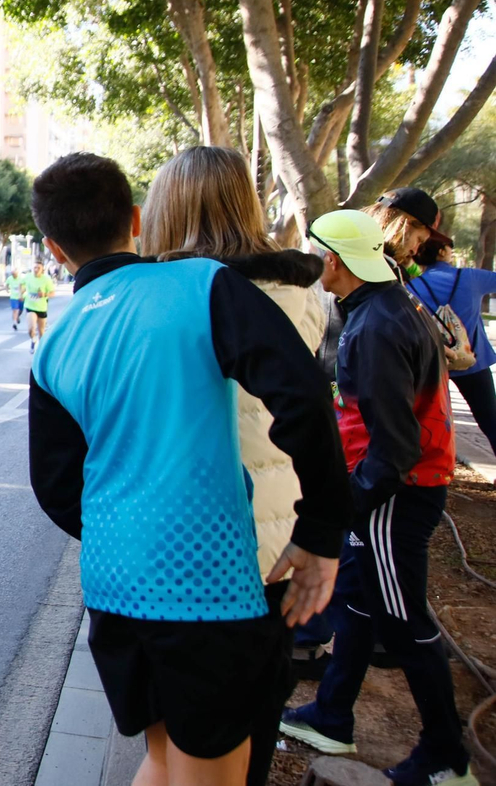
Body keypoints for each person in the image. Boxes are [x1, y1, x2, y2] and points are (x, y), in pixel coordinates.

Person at [28, 153, 348, 786]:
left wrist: (130, 534)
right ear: (137, 220)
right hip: (211, 590)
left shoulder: (56, 341)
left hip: (115, 586)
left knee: (165, 756)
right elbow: (303, 395)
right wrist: (321, 529)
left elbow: (56, 487)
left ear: (52, 247)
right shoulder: (201, 285)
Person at [139, 146, 328, 786]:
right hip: (279, 540)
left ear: (166, 212)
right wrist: (322, 535)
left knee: (174, 745)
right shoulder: (305, 295)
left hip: (189, 546)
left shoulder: (175, 299)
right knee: (247, 729)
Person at [281, 211, 475, 786]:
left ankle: (446, 755)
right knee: (361, 603)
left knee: (404, 622)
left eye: (318, 255)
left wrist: (349, 506)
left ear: (335, 261)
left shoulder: (377, 328)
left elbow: (396, 446)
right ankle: (332, 715)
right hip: (387, 488)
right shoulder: (381, 307)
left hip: (398, 495)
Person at [411, 240, 496, 455]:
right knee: (490, 418)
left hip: (433, 365)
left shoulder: (410, 287)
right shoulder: (470, 277)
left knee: (426, 419)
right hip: (472, 362)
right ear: (442, 251)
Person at [22, 261, 55, 353]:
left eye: (38, 268)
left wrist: (44, 294)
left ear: (42, 270)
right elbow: (21, 284)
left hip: (41, 307)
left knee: (41, 331)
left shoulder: (46, 279)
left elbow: (52, 293)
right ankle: (33, 339)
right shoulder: (28, 277)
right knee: (31, 328)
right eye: (34, 268)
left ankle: (41, 350)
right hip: (30, 306)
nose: (36, 270)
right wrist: (21, 293)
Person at [5, 264, 24, 330]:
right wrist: (7, 290)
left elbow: (25, 287)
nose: (13, 275)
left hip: (21, 297)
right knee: (15, 310)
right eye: (12, 274)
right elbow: (6, 284)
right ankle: (14, 323)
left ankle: (17, 317)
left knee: (20, 310)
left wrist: (22, 294)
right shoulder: (10, 278)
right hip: (13, 297)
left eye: (14, 274)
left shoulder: (21, 279)